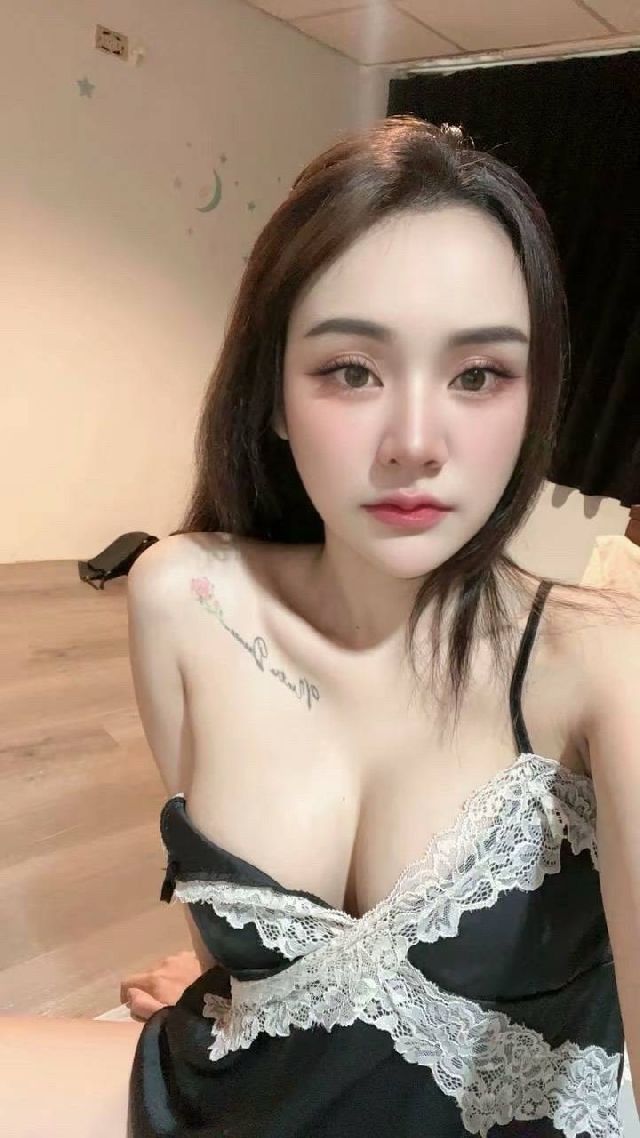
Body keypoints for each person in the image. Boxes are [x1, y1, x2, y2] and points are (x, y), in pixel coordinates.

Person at [2, 114, 639, 1138]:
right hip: (237, 1082)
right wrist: (239, 974)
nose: (416, 441)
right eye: (352, 369)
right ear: (274, 397)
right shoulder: (187, 598)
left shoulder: (603, 664)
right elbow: (222, 911)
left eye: (478, 374)